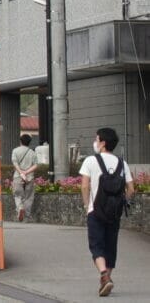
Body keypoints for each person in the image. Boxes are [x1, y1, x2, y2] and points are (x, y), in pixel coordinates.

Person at [79, 127, 135, 297]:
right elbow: (131, 189)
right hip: (114, 212)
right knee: (110, 245)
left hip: (95, 211)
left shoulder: (90, 161)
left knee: (96, 244)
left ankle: (104, 275)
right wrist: (121, 202)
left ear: (102, 143)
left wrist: (86, 204)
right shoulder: (121, 163)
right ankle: (107, 279)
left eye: (96, 140)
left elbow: (84, 185)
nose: (95, 142)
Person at [11, 134, 38, 222]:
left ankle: (20, 208)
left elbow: (15, 163)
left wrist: (21, 172)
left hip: (18, 177)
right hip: (29, 177)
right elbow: (36, 165)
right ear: (29, 142)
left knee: (18, 195)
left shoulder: (15, 151)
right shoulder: (32, 152)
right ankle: (26, 216)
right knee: (28, 197)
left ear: (20, 141)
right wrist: (26, 172)